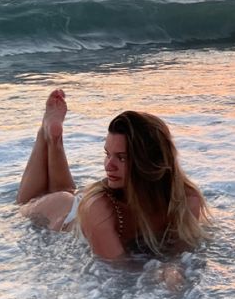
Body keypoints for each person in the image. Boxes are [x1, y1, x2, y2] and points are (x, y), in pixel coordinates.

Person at [17, 89, 208, 261]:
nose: (108, 165)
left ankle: (53, 136)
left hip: (84, 201)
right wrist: (157, 272)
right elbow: (118, 268)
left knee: (67, 190)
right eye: (107, 154)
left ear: (150, 162)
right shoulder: (100, 210)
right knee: (24, 204)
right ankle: (47, 134)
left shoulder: (186, 200)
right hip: (69, 213)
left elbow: (179, 256)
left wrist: (171, 270)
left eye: (122, 158)